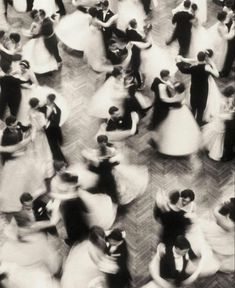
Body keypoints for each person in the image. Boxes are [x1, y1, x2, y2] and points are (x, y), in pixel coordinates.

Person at [151, 81, 201, 156]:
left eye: (175, 88)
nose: (173, 89)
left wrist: (162, 95)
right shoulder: (182, 92)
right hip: (183, 110)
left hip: (176, 111)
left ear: (178, 90)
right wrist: (169, 84)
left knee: (173, 129)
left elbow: (166, 100)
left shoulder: (177, 97)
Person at [176, 52, 219, 126]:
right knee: (201, 107)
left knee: (193, 104)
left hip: (194, 88)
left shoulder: (193, 68)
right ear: (205, 58)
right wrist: (212, 64)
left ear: (197, 57)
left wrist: (178, 62)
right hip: (203, 90)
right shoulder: (207, 67)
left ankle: (191, 120)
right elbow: (217, 75)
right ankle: (199, 121)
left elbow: (183, 70)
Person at [201, 198, 235, 272]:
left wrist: (222, 206)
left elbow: (216, 210)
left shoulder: (218, 213)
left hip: (216, 231)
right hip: (223, 235)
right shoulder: (230, 225)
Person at [202, 85, 235, 161]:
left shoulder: (229, 100)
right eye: (232, 94)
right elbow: (219, 114)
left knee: (221, 137)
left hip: (225, 121)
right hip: (221, 121)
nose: (233, 95)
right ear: (230, 94)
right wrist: (229, 115)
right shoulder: (222, 102)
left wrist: (231, 110)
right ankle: (215, 152)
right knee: (219, 136)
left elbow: (229, 107)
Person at [22, 9, 59, 74]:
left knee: (47, 53)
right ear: (33, 18)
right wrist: (34, 33)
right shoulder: (34, 24)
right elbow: (32, 32)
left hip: (44, 39)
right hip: (39, 40)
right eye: (35, 16)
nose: (37, 17)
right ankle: (45, 70)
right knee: (40, 55)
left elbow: (48, 27)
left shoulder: (43, 21)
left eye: (38, 15)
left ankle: (48, 68)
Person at [28, 97, 54, 179]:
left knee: (36, 152)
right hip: (40, 135)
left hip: (33, 134)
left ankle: (35, 172)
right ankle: (45, 173)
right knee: (44, 152)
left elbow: (30, 123)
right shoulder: (40, 115)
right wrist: (48, 121)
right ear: (36, 105)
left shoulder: (29, 111)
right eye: (38, 103)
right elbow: (43, 127)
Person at [39, 93, 66, 163]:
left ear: (51, 101)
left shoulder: (58, 111)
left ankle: (61, 161)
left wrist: (46, 125)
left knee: (54, 147)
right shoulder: (44, 106)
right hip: (44, 130)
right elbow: (39, 112)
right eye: (46, 99)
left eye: (47, 100)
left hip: (52, 131)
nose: (46, 101)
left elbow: (56, 124)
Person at [221, 86, 235, 161]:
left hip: (231, 123)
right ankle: (228, 154)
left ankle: (228, 155)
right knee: (229, 140)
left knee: (228, 140)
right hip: (230, 122)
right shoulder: (230, 100)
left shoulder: (230, 100)